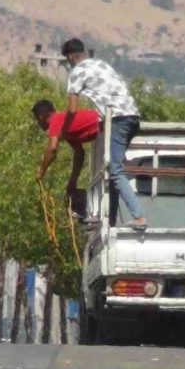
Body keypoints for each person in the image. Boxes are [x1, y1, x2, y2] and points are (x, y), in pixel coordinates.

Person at [60, 37, 147, 229]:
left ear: (71, 57)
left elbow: (72, 110)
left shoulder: (77, 72)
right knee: (112, 169)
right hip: (132, 117)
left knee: (115, 170)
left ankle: (139, 217)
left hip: (117, 119)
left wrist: (64, 130)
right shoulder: (101, 64)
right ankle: (112, 221)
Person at [33, 99, 99, 207]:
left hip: (107, 124)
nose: (38, 123)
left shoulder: (56, 120)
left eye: (37, 119)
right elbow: (79, 154)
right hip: (102, 128)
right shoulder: (66, 127)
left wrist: (41, 170)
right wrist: (72, 182)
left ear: (41, 116)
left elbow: (52, 149)